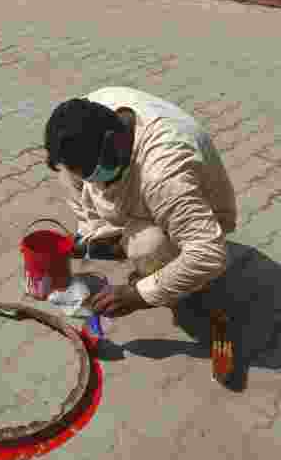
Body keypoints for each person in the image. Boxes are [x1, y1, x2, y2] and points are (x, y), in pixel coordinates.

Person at [44, 87, 237, 318]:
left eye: (93, 173)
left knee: (147, 246)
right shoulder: (96, 109)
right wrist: (94, 234)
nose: (91, 184)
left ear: (111, 145)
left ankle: (181, 281)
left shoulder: (164, 177)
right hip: (146, 190)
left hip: (191, 215)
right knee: (67, 172)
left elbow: (208, 253)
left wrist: (138, 295)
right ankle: (106, 238)